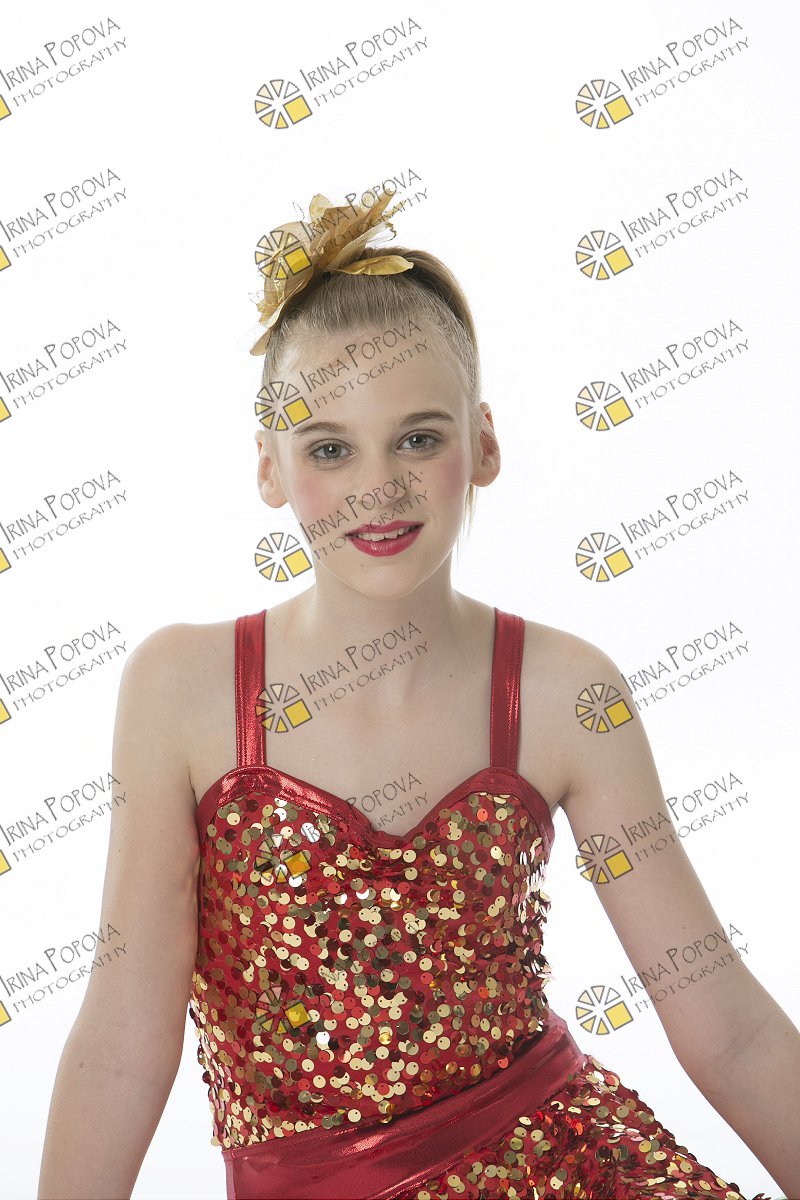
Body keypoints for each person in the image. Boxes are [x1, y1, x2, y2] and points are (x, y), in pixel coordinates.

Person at [37, 189, 799, 1200]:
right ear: (269, 468)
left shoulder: (566, 692)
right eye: (330, 448)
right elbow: (121, 1045)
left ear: (483, 444)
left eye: (417, 439)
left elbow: (726, 1025)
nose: (378, 488)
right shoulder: (182, 690)